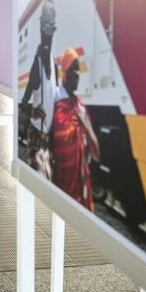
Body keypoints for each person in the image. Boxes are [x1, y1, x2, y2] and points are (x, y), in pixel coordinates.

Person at [50, 47, 101, 211]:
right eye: (73, 70)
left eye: (78, 70)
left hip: (80, 187)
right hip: (60, 183)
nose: (77, 75)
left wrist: (85, 125)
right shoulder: (55, 101)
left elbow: (97, 155)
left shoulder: (81, 107)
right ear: (64, 73)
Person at [19, 0, 63, 179]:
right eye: (45, 30)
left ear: (53, 31)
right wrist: (33, 111)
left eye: (50, 30)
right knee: (39, 178)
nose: (47, 36)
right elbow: (23, 103)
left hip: (49, 139)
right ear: (40, 31)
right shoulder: (36, 67)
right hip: (37, 137)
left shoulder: (54, 67)